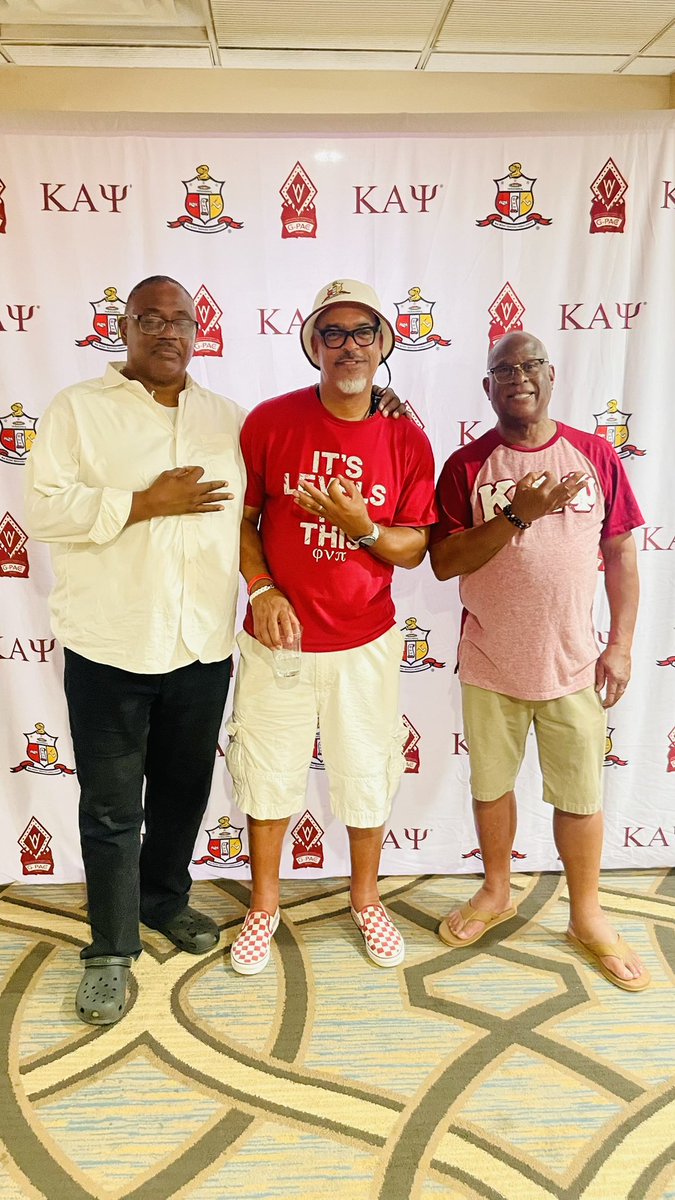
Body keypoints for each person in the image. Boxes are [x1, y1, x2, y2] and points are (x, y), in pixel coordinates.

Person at [24, 275, 246, 1025]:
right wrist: (146, 503)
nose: (167, 332)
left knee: (184, 792)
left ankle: (163, 900)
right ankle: (110, 948)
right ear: (122, 329)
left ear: (198, 333)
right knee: (113, 808)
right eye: (150, 319)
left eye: (180, 320)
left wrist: (378, 406)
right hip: (110, 645)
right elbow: (42, 510)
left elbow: (271, 489)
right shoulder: (77, 410)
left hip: (201, 644)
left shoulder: (225, 418)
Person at [226, 278, 437, 975]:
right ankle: (263, 906)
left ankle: (366, 899)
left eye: (362, 332)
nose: (349, 346)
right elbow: (243, 520)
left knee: (366, 773)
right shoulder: (270, 422)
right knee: (267, 776)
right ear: (313, 345)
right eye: (334, 333)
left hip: (364, 641)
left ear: (384, 345)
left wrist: (361, 525)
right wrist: (261, 587)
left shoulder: (407, 437)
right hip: (277, 640)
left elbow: (414, 546)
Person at [430, 330, 650, 992]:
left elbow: (621, 554)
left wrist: (619, 644)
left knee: (580, 796)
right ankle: (496, 890)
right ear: (487, 387)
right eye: (504, 370)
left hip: (573, 665)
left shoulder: (593, 454)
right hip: (490, 662)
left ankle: (586, 914)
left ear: (551, 376)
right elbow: (443, 562)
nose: (518, 377)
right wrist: (516, 516)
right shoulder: (466, 466)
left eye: (531, 366)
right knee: (491, 787)